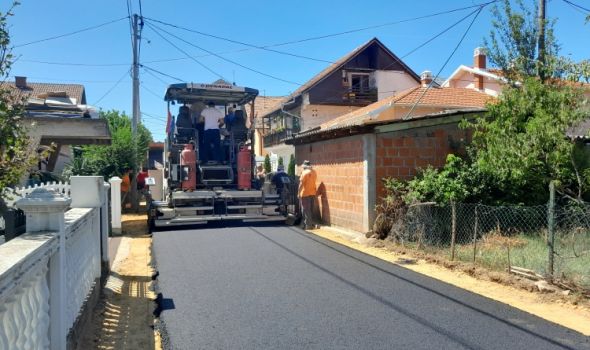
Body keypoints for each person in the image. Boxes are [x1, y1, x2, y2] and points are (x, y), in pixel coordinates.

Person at [298, 160, 319, 230]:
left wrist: (298, 193)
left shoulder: (304, 173)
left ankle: (308, 225)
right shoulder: (314, 172)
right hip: (312, 192)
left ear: (304, 167)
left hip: (305, 193)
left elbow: (301, 184)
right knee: (310, 209)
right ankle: (308, 223)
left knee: (305, 210)